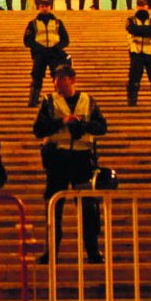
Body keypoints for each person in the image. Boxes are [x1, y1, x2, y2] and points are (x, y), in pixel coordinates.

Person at [35, 61, 106, 264]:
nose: (57, 84)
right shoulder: (49, 102)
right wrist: (62, 122)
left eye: (61, 79)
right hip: (57, 159)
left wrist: (82, 124)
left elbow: (102, 127)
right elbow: (38, 129)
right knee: (53, 206)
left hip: (82, 160)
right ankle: (50, 252)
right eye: (55, 80)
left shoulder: (88, 101)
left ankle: (93, 251)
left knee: (88, 208)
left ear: (72, 80)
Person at [22, 2, 70, 107]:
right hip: (40, 53)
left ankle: (60, 99)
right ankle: (33, 100)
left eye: (46, 6)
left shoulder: (58, 23)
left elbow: (65, 40)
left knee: (57, 76)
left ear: (50, 7)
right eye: (42, 6)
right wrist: (39, 48)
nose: (44, 8)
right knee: (36, 75)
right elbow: (27, 41)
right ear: (39, 7)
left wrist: (56, 47)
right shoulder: (33, 23)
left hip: (54, 53)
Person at [125, 0, 151, 107]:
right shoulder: (131, 20)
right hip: (136, 53)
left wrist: (140, 31)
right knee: (134, 79)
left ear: (147, 6)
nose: (141, 8)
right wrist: (147, 31)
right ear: (136, 7)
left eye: (143, 6)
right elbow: (132, 29)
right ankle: (132, 99)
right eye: (139, 6)